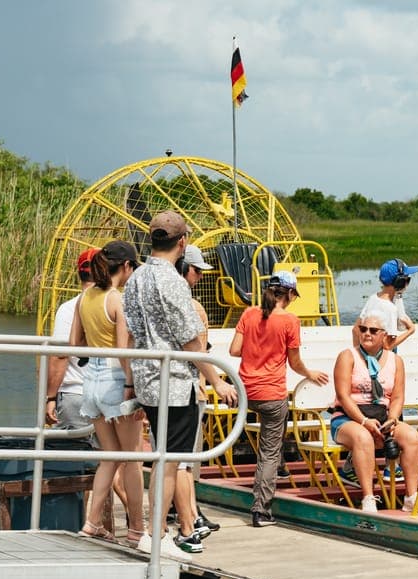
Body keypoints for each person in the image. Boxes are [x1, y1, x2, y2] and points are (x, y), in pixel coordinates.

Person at [122, 210, 237, 557]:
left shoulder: (136, 277)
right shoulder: (171, 281)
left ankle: (153, 532)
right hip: (174, 384)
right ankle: (157, 535)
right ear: (182, 242)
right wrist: (217, 380)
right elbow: (190, 341)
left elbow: (131, 332)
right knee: (170, 461)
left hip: (147, 379)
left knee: (162, 457)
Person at [229, 270, 329, 527]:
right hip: (272, 393)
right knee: (268, 453)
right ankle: (261, 510)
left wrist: (256, 350)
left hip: (246, 391)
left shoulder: (249, 313)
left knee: (271, 444)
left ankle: (281, 467)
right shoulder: (289, 321)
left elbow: (235, 350)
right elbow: (295, 362)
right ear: (290, 294)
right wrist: (311, 373)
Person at [69, 240, 145, 546]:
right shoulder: (117, 299)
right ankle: (138, 529)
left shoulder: (85, 297)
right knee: (133, 458)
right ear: (125, 266)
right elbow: (124, 351)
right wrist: (131, 386)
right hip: (117, 378)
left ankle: (92, 522)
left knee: (109, 457)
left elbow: (75, 345)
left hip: (91, 382)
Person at [331, 311, 418, 514]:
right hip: (348, 417)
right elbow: (343, 396)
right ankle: (368, 497)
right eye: (363, 329)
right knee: (363, 437)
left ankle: (411, 496)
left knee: (411, 436)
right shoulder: (347, 356)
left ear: (384, 335)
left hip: (382, 416)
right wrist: (363, 420)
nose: (367, 334)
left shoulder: (396, 361)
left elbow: (397, 397)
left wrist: (393, 418)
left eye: (373, 330)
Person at [174, 245, 220, 536]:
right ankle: (190, 517)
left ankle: (187, 512)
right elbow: (198, 351)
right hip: (191, 390)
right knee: (185, 462)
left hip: (173, 389)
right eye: (197, 271)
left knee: (177, 460)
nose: (200, 277)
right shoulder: (193, 308)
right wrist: (216, 382)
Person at [45, 247, 98, 432]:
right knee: (112, 457)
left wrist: (50, 397)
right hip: (110, 394)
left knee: (72, 455)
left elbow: (60, 356)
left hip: (76, 393)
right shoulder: (117, 305)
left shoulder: (68, 308)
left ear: (79, 273)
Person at [353, 258, 418, 350]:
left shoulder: (373, 298)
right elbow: (388, 346)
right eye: (407, 280)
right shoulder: (390, 308)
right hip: (383, 361)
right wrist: (411, 330)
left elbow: (355, 330)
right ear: (399, 281)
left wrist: (359, 356)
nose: (407, 284)